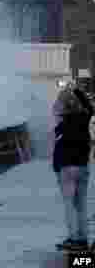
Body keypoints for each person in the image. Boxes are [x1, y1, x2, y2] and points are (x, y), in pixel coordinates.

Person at [52, 81, 94, 252]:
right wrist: (75, 89)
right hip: (83, 167)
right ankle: (83, 239)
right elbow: (89, 106)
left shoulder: (63, 125)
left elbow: (58, 150)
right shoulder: (84, 119)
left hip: (67, 169)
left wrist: (56, 167)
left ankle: (74, 239)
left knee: (69, 205)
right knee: (81, 205)